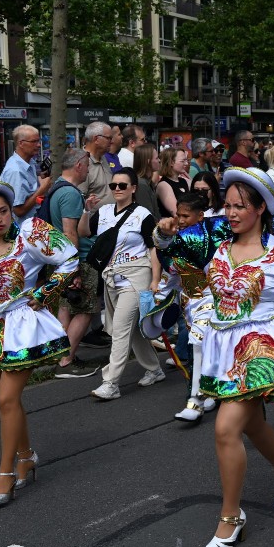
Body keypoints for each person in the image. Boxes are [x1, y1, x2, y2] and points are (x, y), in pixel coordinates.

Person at [154, 167, 274, 547]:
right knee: (253, 425)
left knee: (226, 428)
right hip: (223, 345)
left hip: (264, 344)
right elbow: (177, 261)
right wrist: (164, 236)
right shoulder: (215, 246)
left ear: (261, 208)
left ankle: (231, 516)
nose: (231, 213)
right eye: (227, 205)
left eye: (240, 206)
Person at [0, 180, 78, 507]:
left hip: (24, 325)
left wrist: (43, 292)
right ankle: (25, 457)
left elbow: (70, 259)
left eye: (4, 212)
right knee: (7, 400)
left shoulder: (30, 236)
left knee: (7, 399)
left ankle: (5, 474)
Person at [80, 169, 165, 400]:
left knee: (119, 328)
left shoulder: (142, 215)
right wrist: (87, 211)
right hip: (111, 277)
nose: (117, 189)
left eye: (122, 185)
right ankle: (155, 369)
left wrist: (155, 280)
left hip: (136, 275)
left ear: (133, 188)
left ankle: (111, 382)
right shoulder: (105, 211)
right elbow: (85, 232)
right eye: (113, 185)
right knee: (133, 330)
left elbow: (153, 248)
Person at [164, 191, 220, 422]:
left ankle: (194, 401)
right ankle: (211, 391)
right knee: (206, 346)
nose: (181, 219)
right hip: (189, 300)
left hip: (213, 297)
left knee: (197, 343)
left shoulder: (216, 229)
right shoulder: (178, 235)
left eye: (186, 215)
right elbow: (167, 261)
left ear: (200, 215)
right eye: (178, 215)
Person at [46, 149, 101, 373]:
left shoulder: (57, 188)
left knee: (66, 307)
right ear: (78, 165)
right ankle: (66, 360)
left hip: (60, 258)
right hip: (80, 259)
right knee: (86, 309)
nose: (88, 169)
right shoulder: (70, 193)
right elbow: (71, 233)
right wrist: (75, 270)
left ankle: (60, 355)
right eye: (87, 165)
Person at [0, 125, 51, 224]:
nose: (39, 145)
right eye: (34, 141)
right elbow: (19, 211)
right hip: (22, 231)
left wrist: (39, 179)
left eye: (38, 141)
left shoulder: (29, 162)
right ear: (21, 144)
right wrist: (42, 189)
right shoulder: (15, 171)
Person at [80, 122, 116, 207]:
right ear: (96, 139)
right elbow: (79, 200)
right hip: (94, 219)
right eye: (109, 138)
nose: (112, 142)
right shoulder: (81, 164)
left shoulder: (103, 158)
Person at [155, 147, 190, 218]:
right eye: (182, 161)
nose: (186, 163)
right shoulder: (163, 185)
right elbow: (176, 212)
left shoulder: (184, 181)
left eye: (186, 160)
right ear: (171, 162)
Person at [133, 142, 162, 218]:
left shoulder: (148, 182)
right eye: (156, 158)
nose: (159, 160)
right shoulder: (141, 184)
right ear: (148, 162)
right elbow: (148, 214)